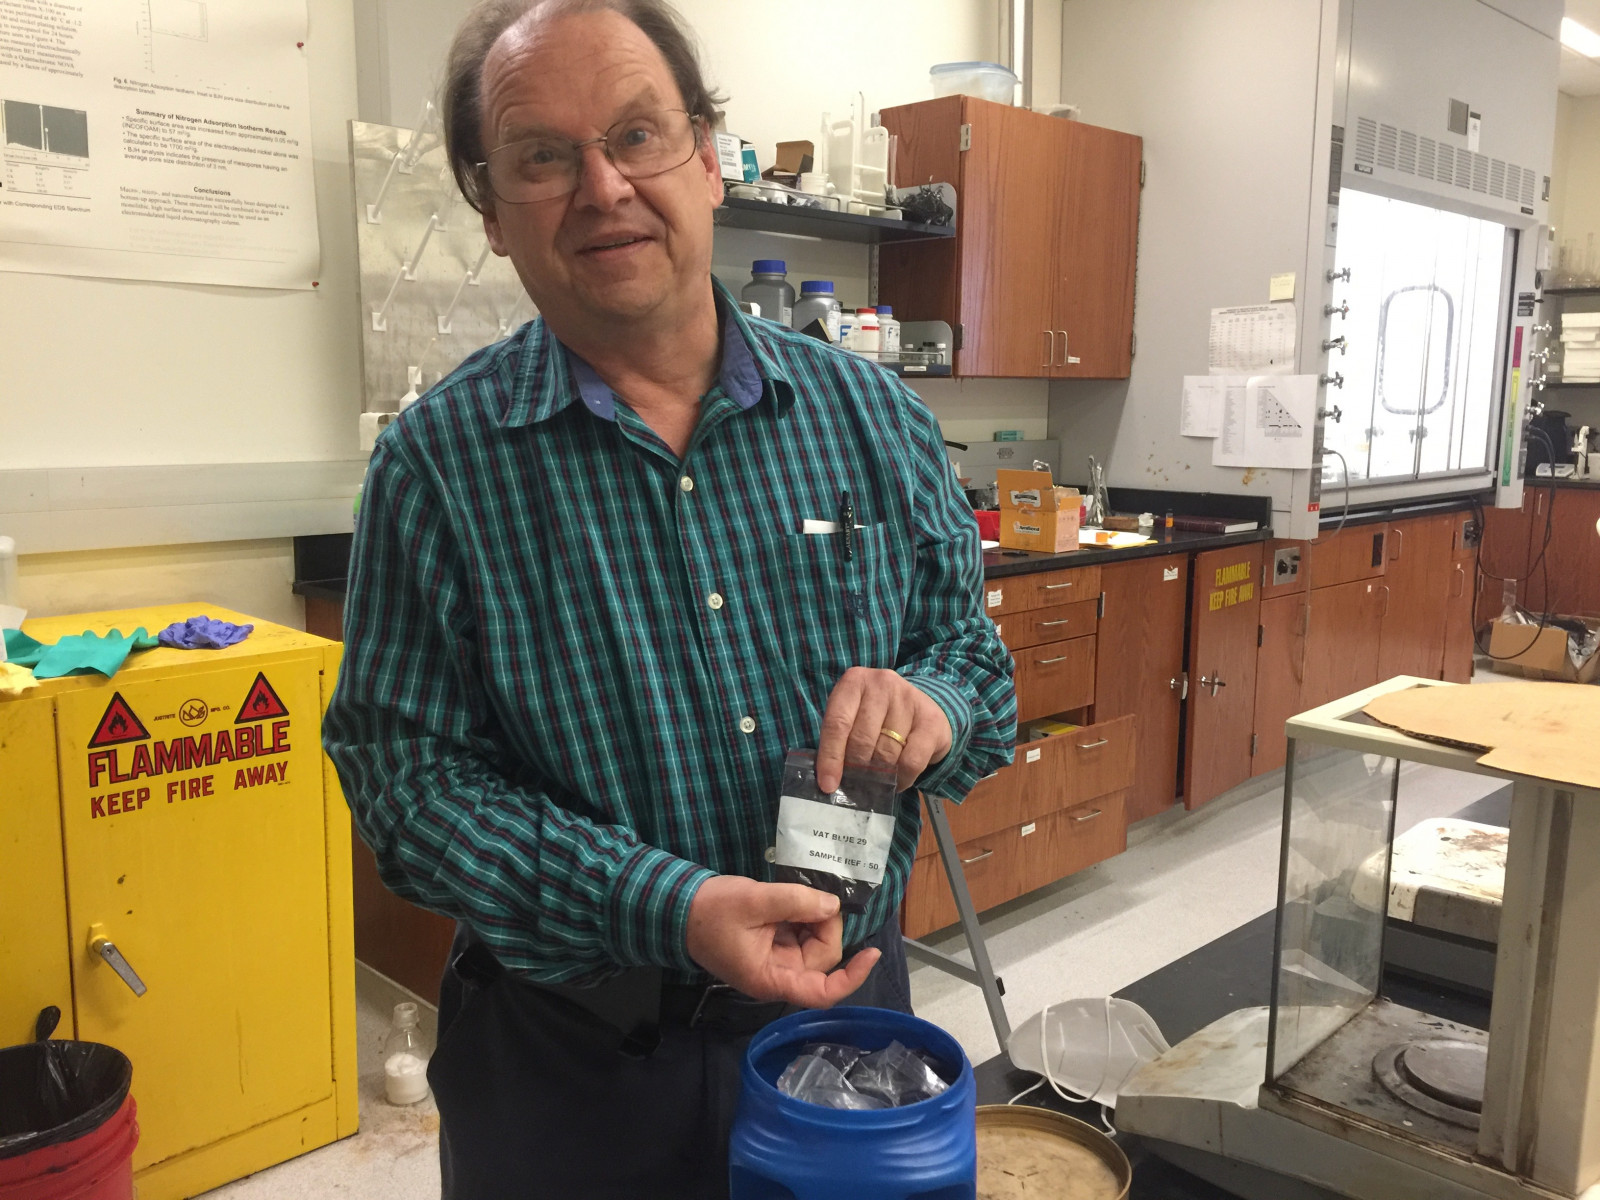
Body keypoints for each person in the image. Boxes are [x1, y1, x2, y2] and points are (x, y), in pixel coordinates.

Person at [322, 0, 1015, 1195]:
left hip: (844, 1037)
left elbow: (972, 659)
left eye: (636, 134)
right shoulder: (437, 468)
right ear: (491, 212)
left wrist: (935, 706)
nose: (601, 186)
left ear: (705, 156)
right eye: (543, 155)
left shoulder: (872, 420)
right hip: (570, 1067)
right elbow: (405, 786)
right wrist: (669, 907)